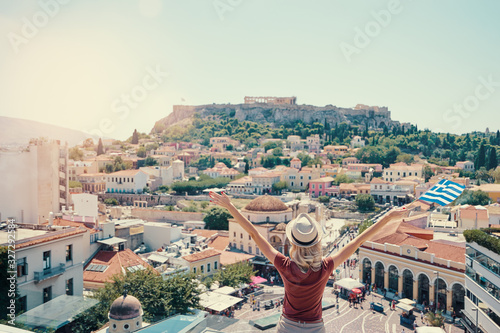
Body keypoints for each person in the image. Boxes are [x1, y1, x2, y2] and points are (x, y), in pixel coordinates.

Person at [209, 191, 408, 333]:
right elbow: (358, 240)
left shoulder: (283, 265)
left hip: (287, 327)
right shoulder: (325, 267)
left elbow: (253, 232)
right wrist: (388, 217)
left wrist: (230, 206)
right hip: (315, 328)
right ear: (317, 241)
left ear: (293, 242)